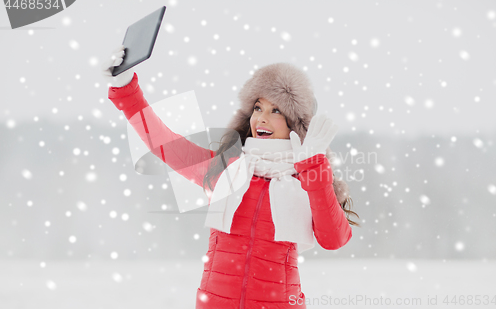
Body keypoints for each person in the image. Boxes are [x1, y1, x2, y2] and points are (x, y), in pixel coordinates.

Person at [102, 45, 360, 309]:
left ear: (295, 123)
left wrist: (313, 166)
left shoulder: (307, 179)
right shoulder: (225, 170)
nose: (262, 118)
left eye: (276, 111)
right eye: (258, 108)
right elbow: (164, 144)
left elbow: (334, 239)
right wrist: (126, 90)